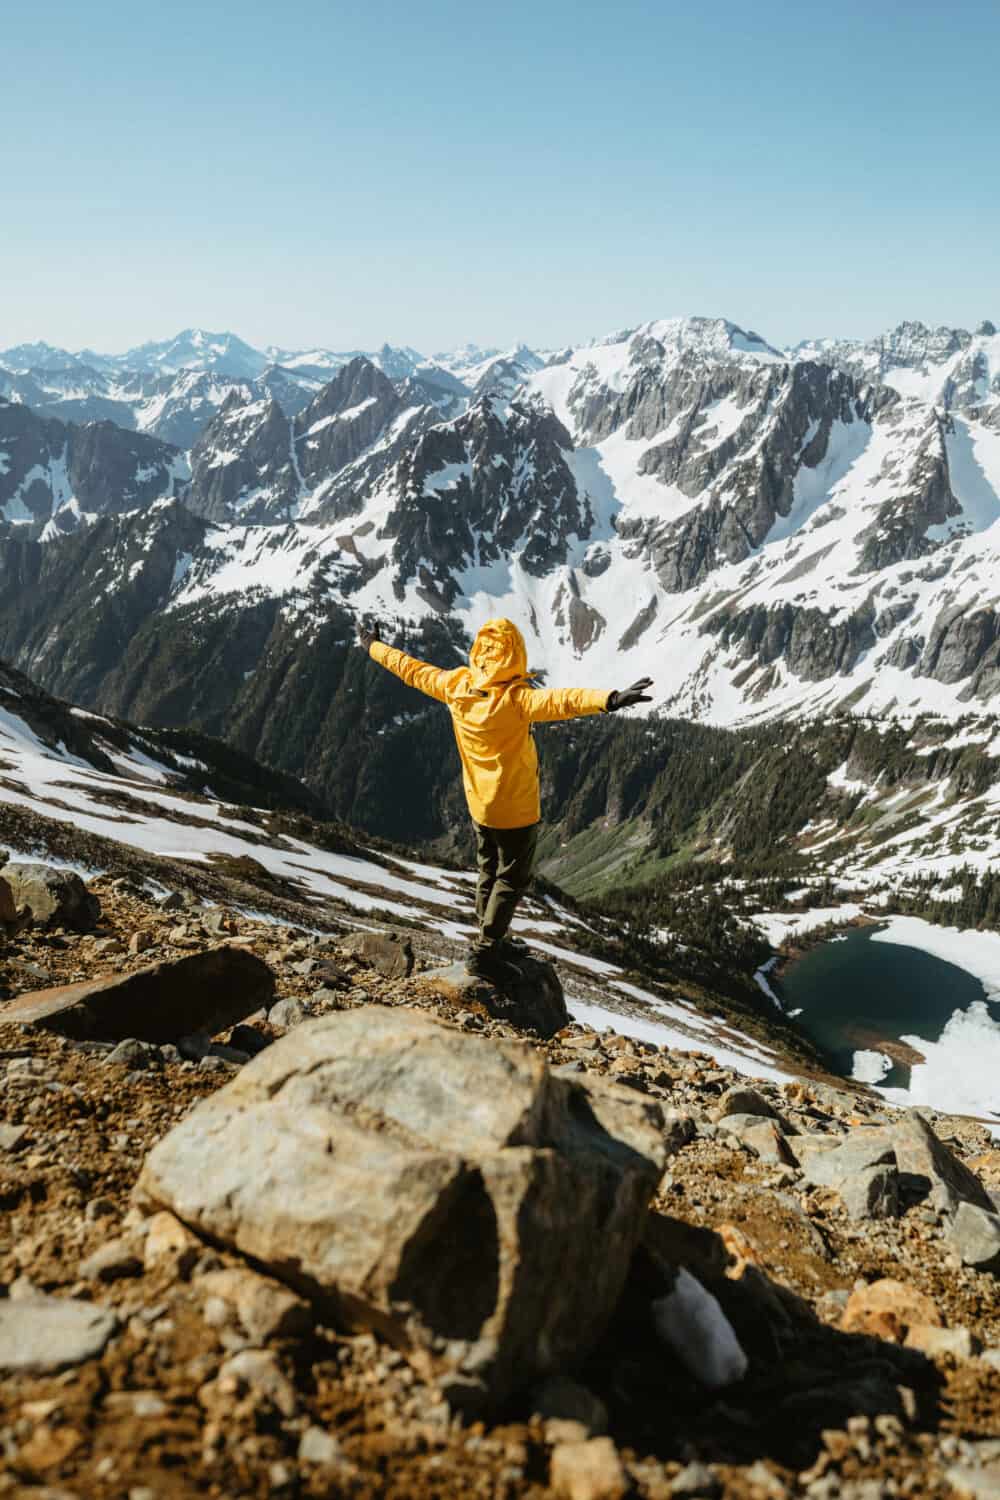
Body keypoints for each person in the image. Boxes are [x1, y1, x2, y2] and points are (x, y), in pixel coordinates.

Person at [360, 616, 653, 980]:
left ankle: (490, 935)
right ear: (514, 657)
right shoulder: (515, 700)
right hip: (515, 808)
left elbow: (412, 670)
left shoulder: (455, 684)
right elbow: (563, 702)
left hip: (479, 803)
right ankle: (486, 950)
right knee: (512, 878)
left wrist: (373, 647)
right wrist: (609, 699)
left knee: (488, 870)